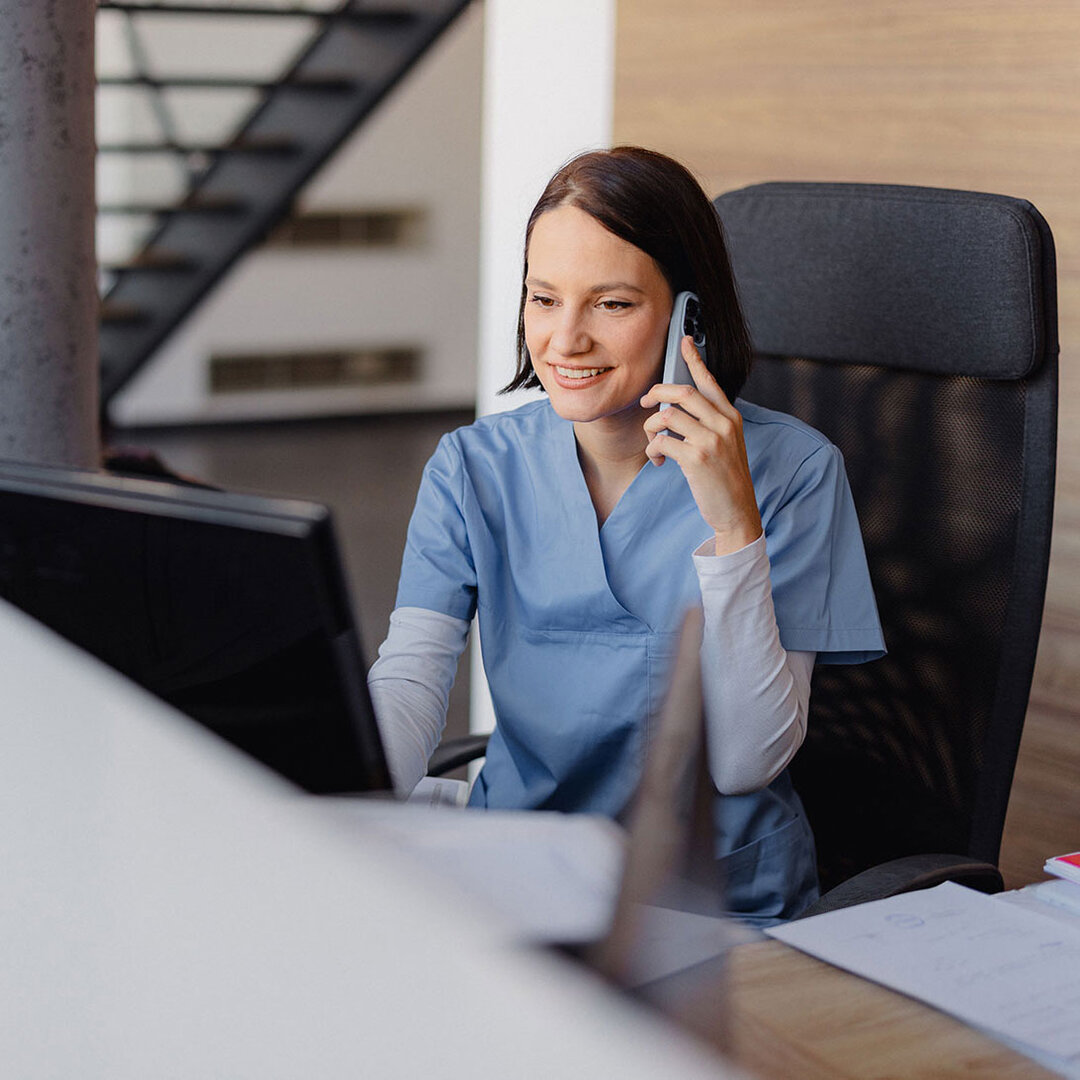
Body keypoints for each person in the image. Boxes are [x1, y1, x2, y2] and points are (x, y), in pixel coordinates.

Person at [368, 147, 885, 925]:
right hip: (518, 881)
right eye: (544, 299)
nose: (564, 340)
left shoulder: (796, 473)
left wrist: (732, 525)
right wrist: (334, 792)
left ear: (689, 315)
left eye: (611, 304)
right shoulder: (474, 467)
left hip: (709, 908)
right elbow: (411, 681)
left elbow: (747, 761)